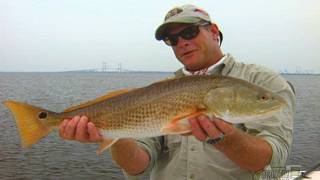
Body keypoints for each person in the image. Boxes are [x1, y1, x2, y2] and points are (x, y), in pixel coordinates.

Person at [59, 4, 295, 180]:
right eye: (172, 39)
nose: (181, 42)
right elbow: (138, 166)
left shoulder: (262, 81)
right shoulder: (162, 91)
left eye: (190, 32)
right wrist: (113, 135)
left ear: (214, 31)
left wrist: (225, 138)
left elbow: (274, 162)